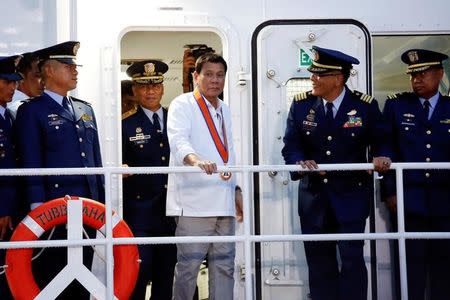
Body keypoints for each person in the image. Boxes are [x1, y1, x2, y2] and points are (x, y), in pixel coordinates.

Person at [281, 46, 391, 300]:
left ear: (339, 78)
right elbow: (291, 146)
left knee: (352, 260)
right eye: (313, 73)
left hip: (351, 197)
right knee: (319, 263)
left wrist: (382, 156)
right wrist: (300, 161)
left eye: (320, 74)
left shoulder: (364, 106)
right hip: (314, 199)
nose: (313, 78)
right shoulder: (301, 106)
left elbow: (381, 139)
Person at [15, 41, 104, 299]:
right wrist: (37, 211)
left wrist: (101, 205)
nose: (75, 71)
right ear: (49, 71)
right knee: (53, 277)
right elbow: (30, 162)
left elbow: (95, 162)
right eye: (68, 66)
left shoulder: (84, 108)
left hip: (86, 210)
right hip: (53, 211)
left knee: (82, 278)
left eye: (75, 66)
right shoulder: (32, 111)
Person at [166, 53, 237, 300]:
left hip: (224, 201)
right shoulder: (182, 104)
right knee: (188, 269)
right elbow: (178, 141)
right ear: (196, 77)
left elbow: (229, 153)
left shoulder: (225, 108)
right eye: (208, 74)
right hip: (194, 202)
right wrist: (195, 160)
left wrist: (236, 191)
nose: (214, 80)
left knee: (225, 267)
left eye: (220, 75)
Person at [382, 49, 450, 300]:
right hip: (409, 201)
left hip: (446, 202)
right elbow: (386, 148)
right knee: (410, 267)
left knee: (445, 268)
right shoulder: (396, 105)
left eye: (423, 74)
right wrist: (390, 192)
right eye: (413, 75)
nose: (417, 80)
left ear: (440, 74)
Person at [122, 60, 176, 299]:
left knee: (168, 275)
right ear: (134, 90)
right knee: (139, 273)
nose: (151, 91)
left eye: (155, 85)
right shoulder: (125, 125)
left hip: (173, 212)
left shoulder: (177, 120)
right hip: (140, 213)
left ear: (163, 88)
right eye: (144, 86)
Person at [0, 55, 24, 299]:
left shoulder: (9, 116)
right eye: (6, 81)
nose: (12, 88)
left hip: (12, 208)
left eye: (15, 82)